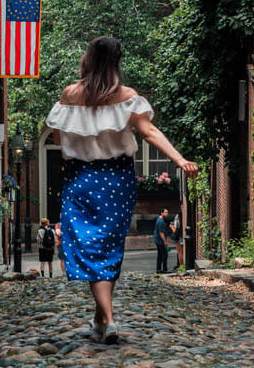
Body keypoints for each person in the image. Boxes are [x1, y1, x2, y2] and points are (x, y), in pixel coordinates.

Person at [46, 36, 198, 344]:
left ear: (88, 59)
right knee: (109, 248)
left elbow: (60, 143)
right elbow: (149, 132)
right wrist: (180, 159)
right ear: (117, 61)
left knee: (90, 249)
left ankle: (106, 318)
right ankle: (104, 318)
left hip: (81, 179)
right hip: (118, 180)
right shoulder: (127, 97)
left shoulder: (70, 95)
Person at [153, 208, 171, 273]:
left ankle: (158, 269)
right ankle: (164, 270)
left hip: (157, 240)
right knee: (164, 255)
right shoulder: (161, 222)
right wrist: (165, 241)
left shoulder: (159, 220)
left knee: (160, 255)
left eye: (167, 212)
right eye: (166, 212)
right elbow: (161, 233)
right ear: (161, 213)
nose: (167, 214)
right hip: (160, 241)